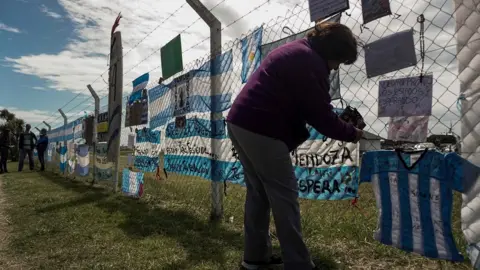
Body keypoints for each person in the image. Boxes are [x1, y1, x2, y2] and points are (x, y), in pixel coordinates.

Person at [226, 21, 364, 270]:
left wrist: (338, 124)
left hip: (241, 121)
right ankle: (298, 264)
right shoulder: (310, 62)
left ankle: (254, 259)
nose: (334, 69)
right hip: (260, 127)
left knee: (259, 193)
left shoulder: (297, 50)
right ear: (332, 52)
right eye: (339, 62)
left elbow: (306, 106)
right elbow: (320, 116)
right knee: (284, 195)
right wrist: (352, 133)